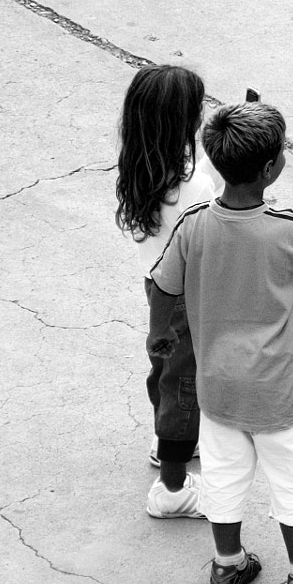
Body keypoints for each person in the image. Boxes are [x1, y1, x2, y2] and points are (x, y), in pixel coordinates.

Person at [149, 101, 293, 584]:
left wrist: (162, 342)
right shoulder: (287, 229)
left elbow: (162, 285)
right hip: (278, 391)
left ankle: (227, 565)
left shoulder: (195, 224)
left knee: (222, 478)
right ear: (270, 169)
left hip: (217, 387)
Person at [113, 64, 218, 519]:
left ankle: (164, 440)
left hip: (157, 288)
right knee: (185, 386)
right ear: (182, 122)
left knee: (165, 370)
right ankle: (172, 490)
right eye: (197, 110)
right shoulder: (190, 187)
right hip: (186, 296)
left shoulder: (142, 165)